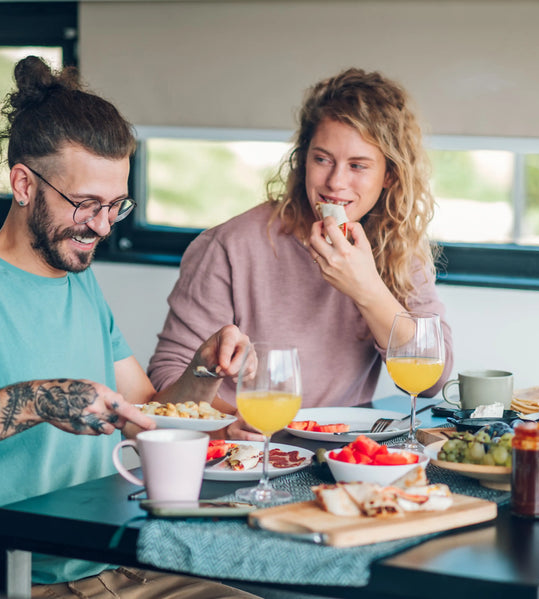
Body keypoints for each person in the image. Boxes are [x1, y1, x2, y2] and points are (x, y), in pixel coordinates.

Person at [0, 56, 256, 598]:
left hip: (113, 562)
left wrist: (204, 371)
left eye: (116, 205)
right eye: (86, 204)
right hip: (9, 580)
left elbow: (145, 416)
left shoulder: (76, 280)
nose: (103, 226)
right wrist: (35, 401)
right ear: (24, 183)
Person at [147, 68, 453, 440]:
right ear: (302, 159)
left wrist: (366, 289)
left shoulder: (398, 246)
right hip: (249, 451)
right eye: (322, 159)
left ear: (389, 175)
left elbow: (434, 380)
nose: (335, 182)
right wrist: (231, 424)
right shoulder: (229, 246)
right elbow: (166, 378)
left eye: (358, 166)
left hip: (340, 453)